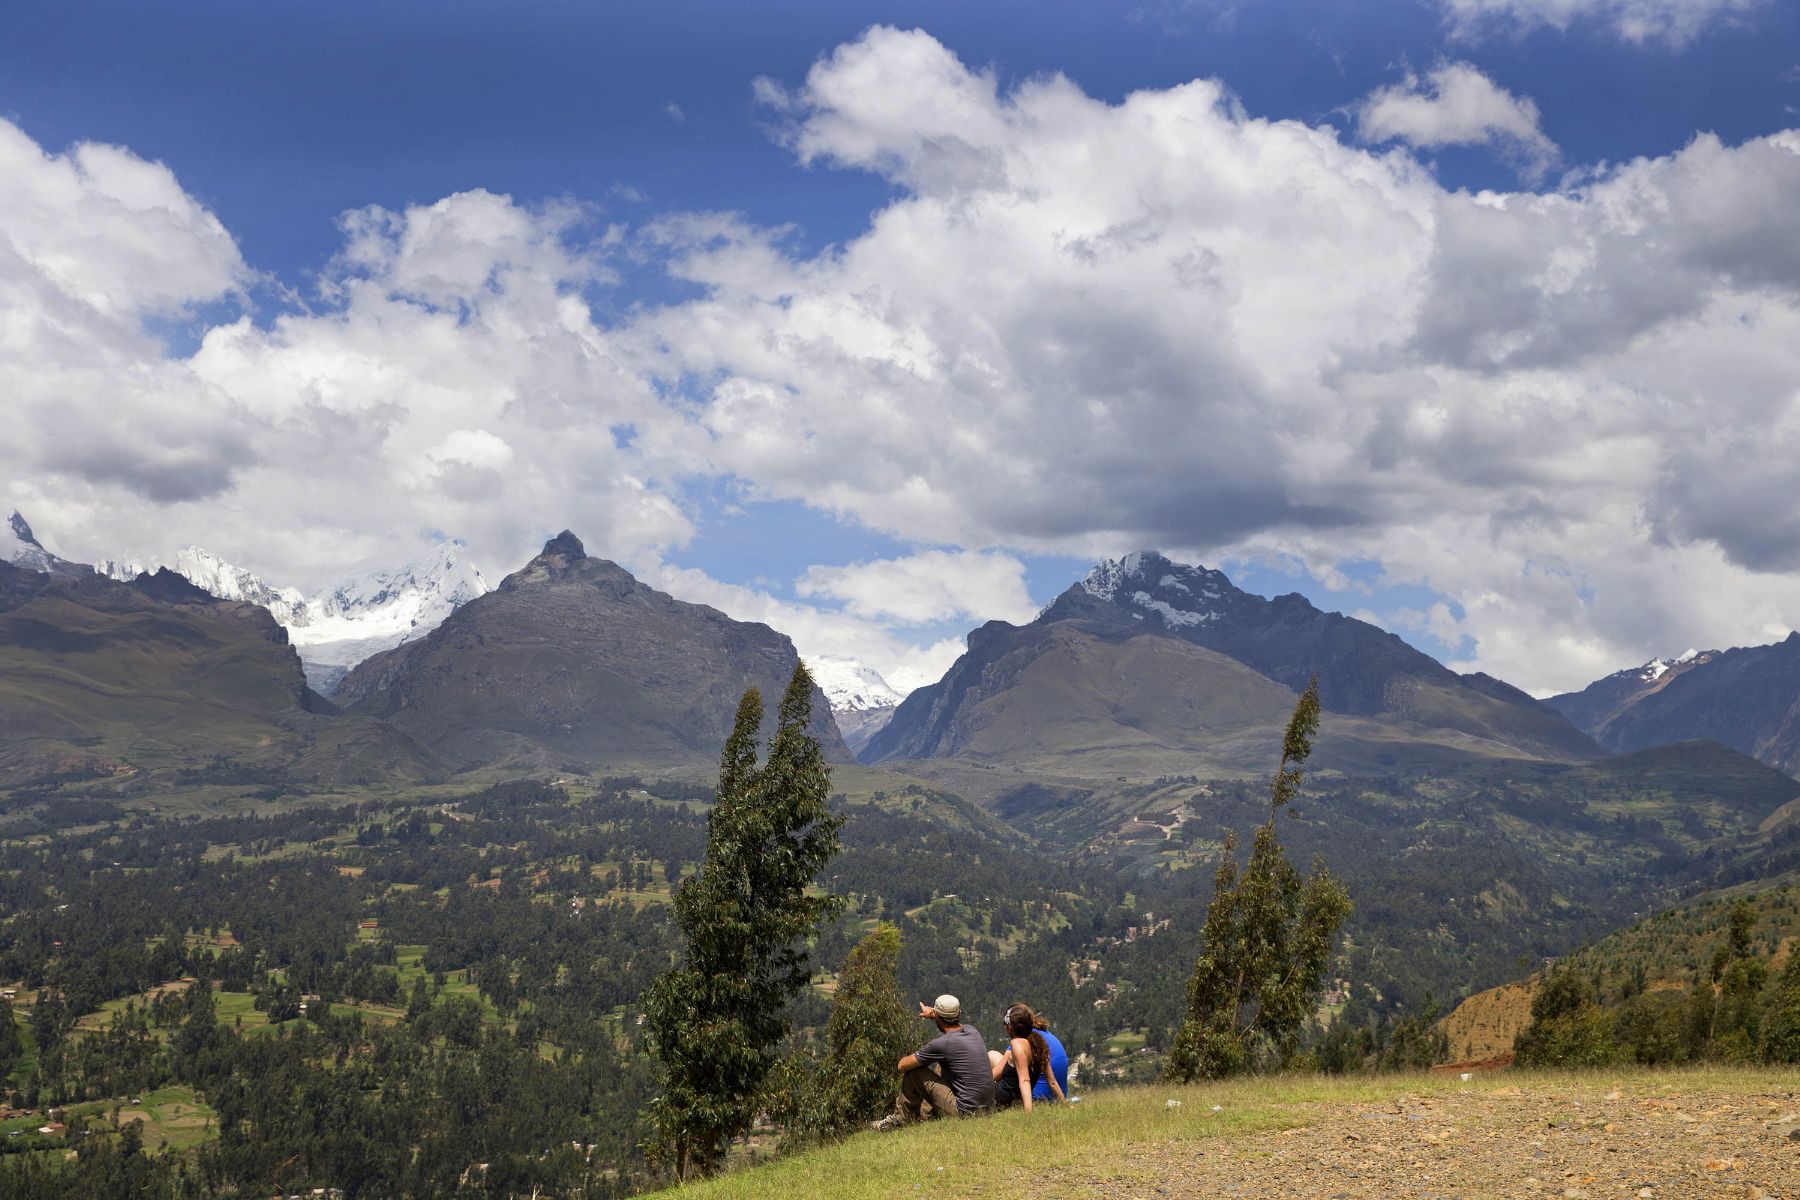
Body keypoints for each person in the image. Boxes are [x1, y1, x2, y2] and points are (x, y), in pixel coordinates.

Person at [872, 993, 994, 1130]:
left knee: (915, 1072)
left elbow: (902, 1065)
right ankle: (927, 1117)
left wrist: (934, 1015)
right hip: (987, 1109)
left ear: (937, 1016)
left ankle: (898, 1121)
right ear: (959, 1014)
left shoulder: (943, 1044)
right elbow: (950, 1031)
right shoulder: (972, 1031)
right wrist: (934, 1014)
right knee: (941, 1066)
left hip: (965, 1113)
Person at [988, 1002, 1065, 1111]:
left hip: (1000, 1098)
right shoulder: (1040, 1043)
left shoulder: (1016, 1044)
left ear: (1010, 1028)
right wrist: (1065, 1104)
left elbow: (1025, 1080)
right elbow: (1052, 1081)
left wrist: (1028, 1113)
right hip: (1014, 1101)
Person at [1030, 1012, 1071, 1104]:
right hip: (1059, 1097)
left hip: (1038, 1099)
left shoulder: (1028, 1038)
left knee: (994, 1055)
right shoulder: (1047, 1034)